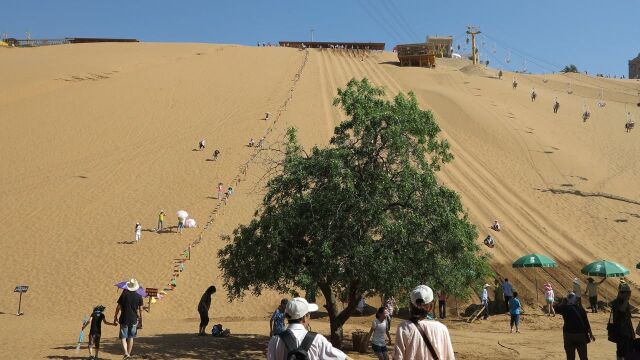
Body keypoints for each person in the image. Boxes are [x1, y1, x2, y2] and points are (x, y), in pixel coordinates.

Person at [267, 297, 350, 360]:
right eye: (308, 314)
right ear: (304, 317)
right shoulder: (318, 340)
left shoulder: (275, 341)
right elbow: (343, 358)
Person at [393, 284, 455, 359]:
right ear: (431, 306)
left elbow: (397, 357)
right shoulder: (442, 329)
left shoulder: (404, 328)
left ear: (410, 305)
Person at [554, 292, 594, 360]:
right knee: (583, 357)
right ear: (575, 300)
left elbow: (556, 308)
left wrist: (563, 302)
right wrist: (590, 334)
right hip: (580, 335)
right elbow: (586, 322)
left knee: (570, 357)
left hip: (568, 335)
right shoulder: (581, 309)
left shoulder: (564, 308)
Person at [114, 279, 144, 360]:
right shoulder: (139, 296)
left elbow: (118, 308)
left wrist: (115, 317)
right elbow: (141, 309)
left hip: (124, 319)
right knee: (131, 337)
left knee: (123, 337)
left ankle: (126, 354)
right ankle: (128, 354)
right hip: (134, 319)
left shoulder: (124, 294)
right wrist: (141, 321)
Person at [611, 283, 635, 359]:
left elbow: (628, 319)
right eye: (628, 293)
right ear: (623, 293)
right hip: (621, 333)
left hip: (628, 333)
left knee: (628, 353)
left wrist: (632, 333)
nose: (629, 295)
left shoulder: (625, 303)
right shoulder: (616, 303)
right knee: (621, 353)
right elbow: (621, 312)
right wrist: (625, 301)